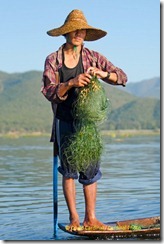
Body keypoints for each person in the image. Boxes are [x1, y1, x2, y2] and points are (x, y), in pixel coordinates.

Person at [41, 9, 127, 230]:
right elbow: (49, 90)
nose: (79, 33)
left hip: (86, 124)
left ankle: (91, 218)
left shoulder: (93, 57)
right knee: (68, 171)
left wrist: (103, 74)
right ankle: (74, 219)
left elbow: (122, 76)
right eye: (75, 29)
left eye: (83, 30)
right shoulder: (54, 60)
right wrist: (71, 83)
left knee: (90, 170)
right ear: (67, 32)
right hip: (65, 119)